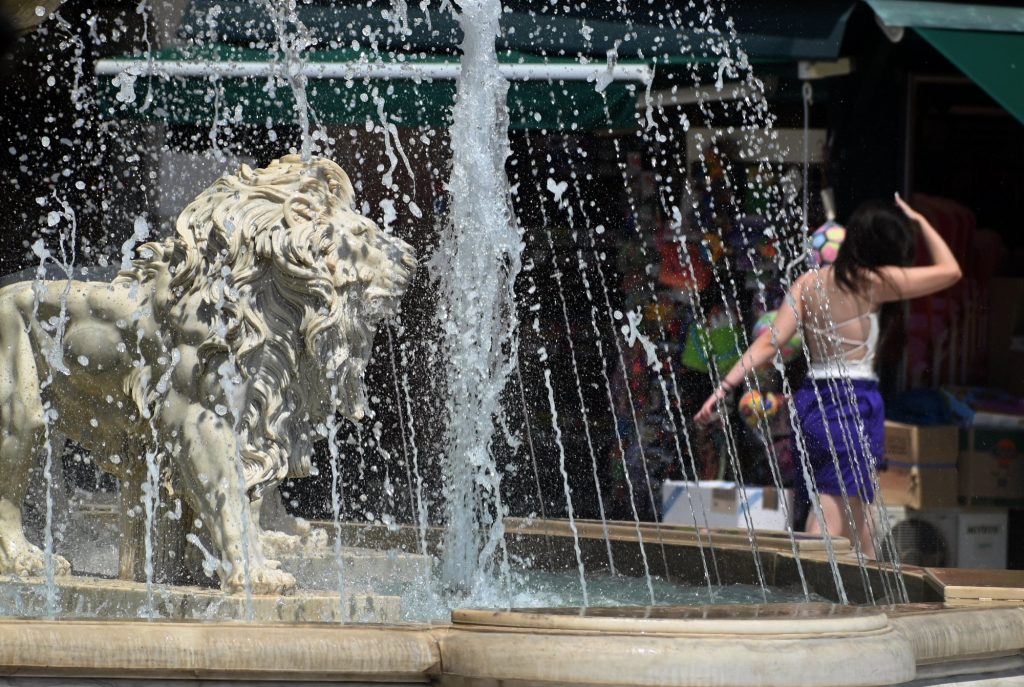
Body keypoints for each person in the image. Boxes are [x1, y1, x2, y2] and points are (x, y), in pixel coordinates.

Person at [695, 194, 961, 557]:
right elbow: (951, 270)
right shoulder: (874, 282)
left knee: (859, 508)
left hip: (813, 401)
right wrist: (920, 221)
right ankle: (807, 600)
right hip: (854, 401)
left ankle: (869, 593)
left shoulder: (806, 284)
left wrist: (724, 387)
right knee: (831, 513)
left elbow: (767, 345)